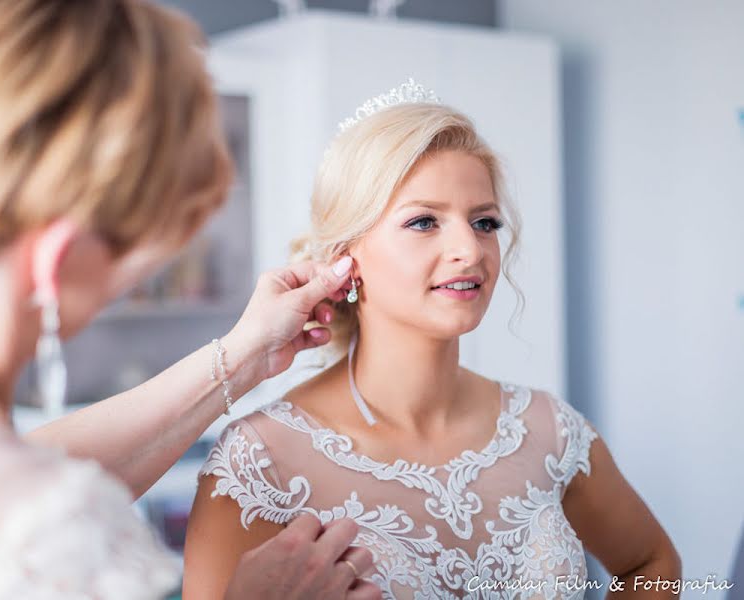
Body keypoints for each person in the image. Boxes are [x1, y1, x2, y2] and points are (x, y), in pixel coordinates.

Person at [0, 0, 382, 598]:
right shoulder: (50, 540)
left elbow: (20, 464)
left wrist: (243, 356)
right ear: (60, 259)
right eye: (133, 267)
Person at [184, 80, 682, 598]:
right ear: (343, 257)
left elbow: (652, 562)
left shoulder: (550, 432)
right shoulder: (260, 462)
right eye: (424, 221)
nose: (470, 249)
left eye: (484, 221)